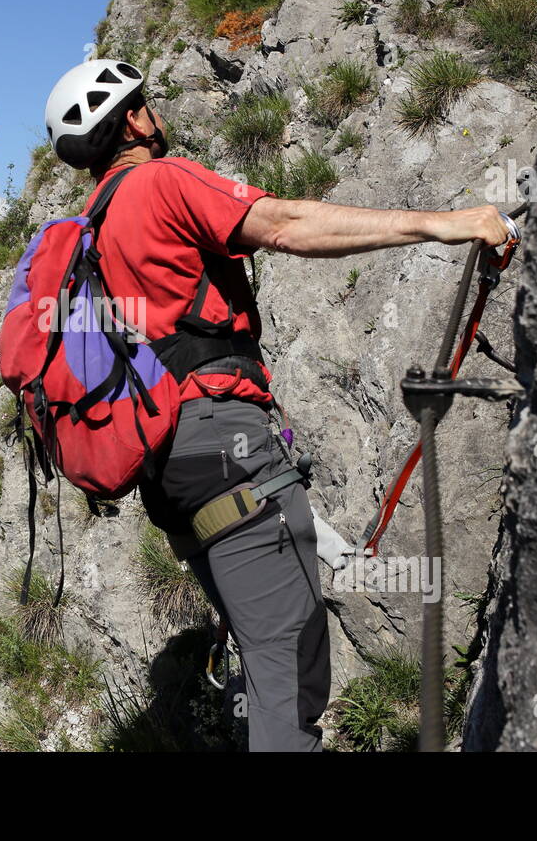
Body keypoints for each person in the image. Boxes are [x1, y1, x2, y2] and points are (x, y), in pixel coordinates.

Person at [43, 59, 510, 751]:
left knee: (267, 662)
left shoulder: (86, 232)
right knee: (285, 676)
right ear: (135, 120)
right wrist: (447, 225)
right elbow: (288, 224)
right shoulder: (164, 181)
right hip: (223, 447)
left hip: (168, 477)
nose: (153, 113)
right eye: (146, 104)